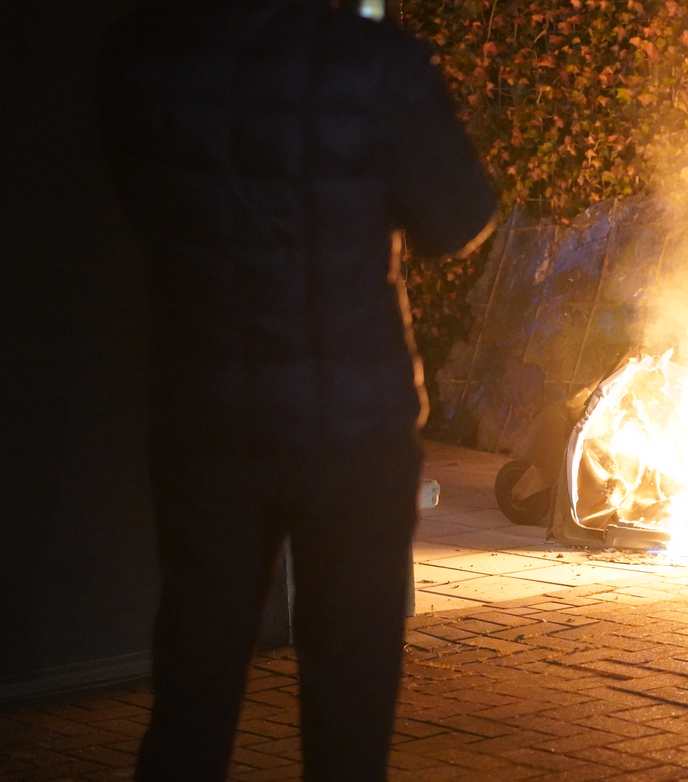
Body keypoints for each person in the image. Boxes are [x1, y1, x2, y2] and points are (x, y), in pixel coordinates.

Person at [99, 1, 497, 779]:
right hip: (352, 426)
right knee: (351, 690)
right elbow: (458, 218)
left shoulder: (151, 53)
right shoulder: (374, 63)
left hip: (207, 414)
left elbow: (133, 200)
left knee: (195, 675)